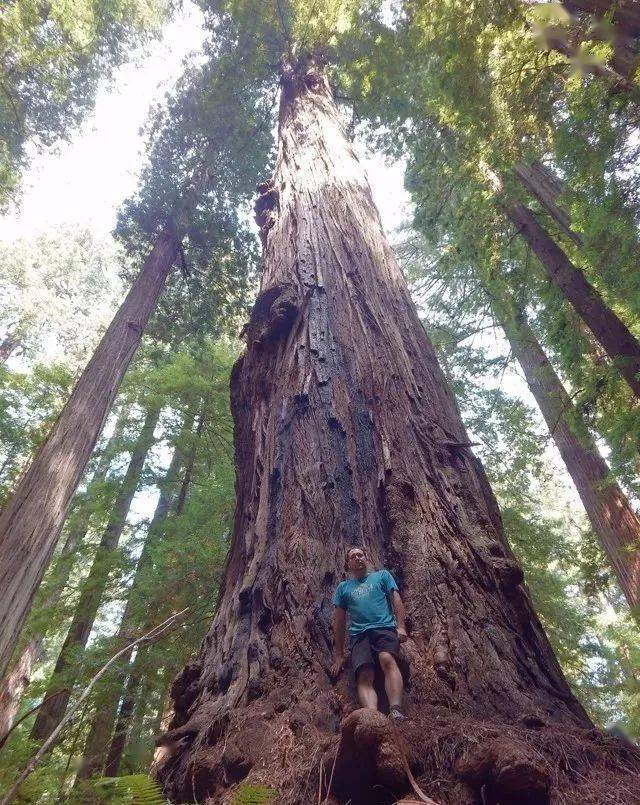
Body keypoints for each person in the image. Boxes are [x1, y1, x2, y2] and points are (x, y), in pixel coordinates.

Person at [331, 546, 408, 720]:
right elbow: (340, 621)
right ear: (347, 564)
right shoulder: (343, 588)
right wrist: (339, 655)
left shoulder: (382, 576)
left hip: (384, 628)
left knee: (386, 659)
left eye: (360, 555)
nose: (357, 558)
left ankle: (395, 709)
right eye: (353, 556)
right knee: (365, 673)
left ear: (367, 558)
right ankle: (373, 718)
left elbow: (396, 599)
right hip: (359, 635)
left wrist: (401, 626)